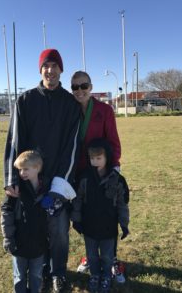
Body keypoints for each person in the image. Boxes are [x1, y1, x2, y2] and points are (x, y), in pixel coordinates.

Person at [4, 49, 81, 293]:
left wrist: (60, 185)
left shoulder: (70, 104)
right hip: (30, 181)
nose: (50, 70)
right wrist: (12, 178)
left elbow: (73, 146)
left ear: (61, 69)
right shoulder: (25, 100)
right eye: (46, 65)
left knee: (58, 228)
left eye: (55, 65)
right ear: (40, 70)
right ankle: (39, 269)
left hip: (57, 181)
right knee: (33, 226)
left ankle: (57, 273)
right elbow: (14, 141)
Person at [71, 71, 127, 282]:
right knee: (86, 215)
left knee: (107, 215)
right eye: (75, 87)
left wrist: (113, 169)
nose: (79, 90)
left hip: (102, 172)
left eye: (83, 85)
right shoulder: (69, 109)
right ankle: (90, 256)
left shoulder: (104, 110)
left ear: (91, 87)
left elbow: (113, 141)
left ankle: (111, 259)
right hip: (79, 173)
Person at [71, 138, 130, 293]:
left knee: (107, 256)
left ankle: (106, 276)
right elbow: (77, 200)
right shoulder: (84, 178)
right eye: (92, 158)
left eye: (99, 158)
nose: (95, 161)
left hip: (108, 227)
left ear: (107, 157)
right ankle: (95, 275)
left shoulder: (117, 180)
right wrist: (76, 220)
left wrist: (124, 224)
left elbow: (122, 204)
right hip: (89, 226)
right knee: (92, 255)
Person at [1, 150, 47, 293]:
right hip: (18, 243)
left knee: (36, 275)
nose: (22, 173)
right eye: (20, 169)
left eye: (25, 169)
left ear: (37, 168)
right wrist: (8, 238)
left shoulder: (46, 189)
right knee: (19, 276)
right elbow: (6, 214)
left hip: (38, 244)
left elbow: (51, 216)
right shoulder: (15, 191)